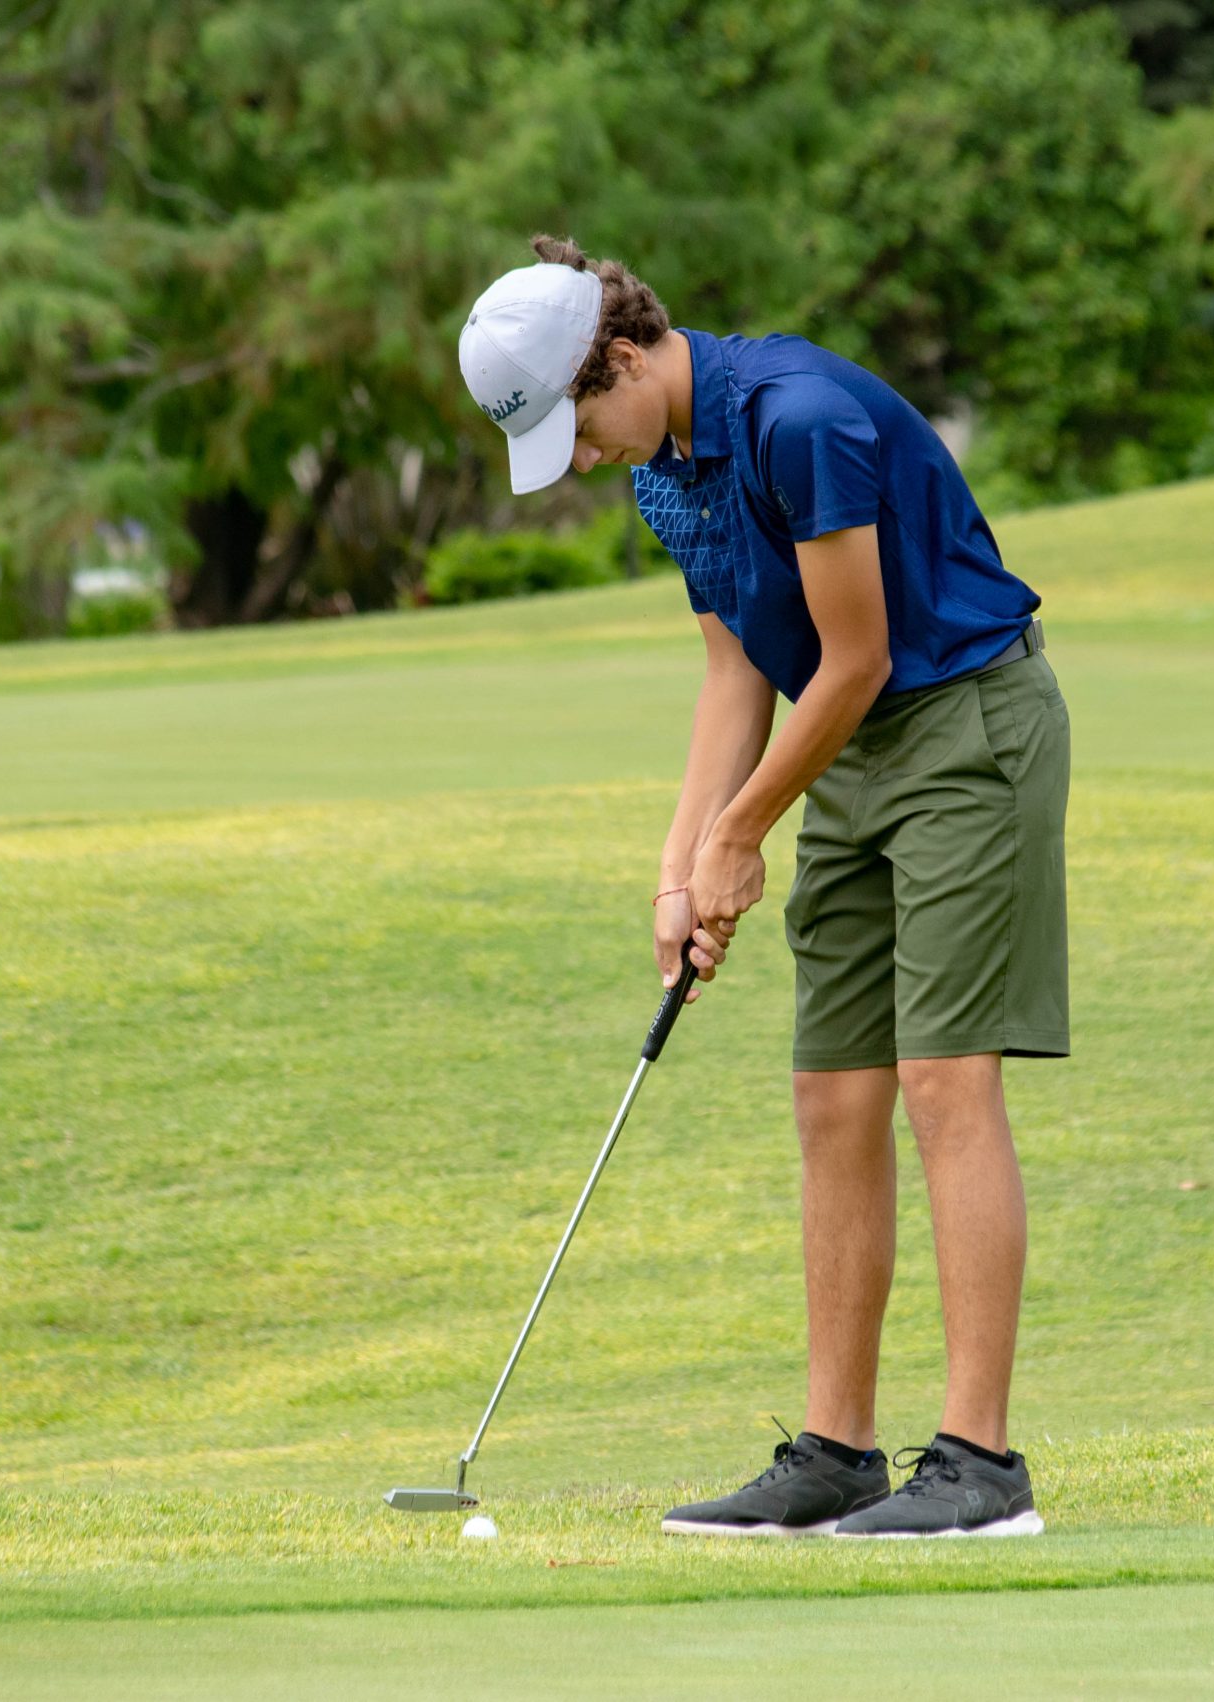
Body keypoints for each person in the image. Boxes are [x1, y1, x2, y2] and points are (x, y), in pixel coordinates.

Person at [458, 236, 1069, 1539]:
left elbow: (856, 657)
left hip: (965, 724)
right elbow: (737, 672)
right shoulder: (666, 474)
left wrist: (742, 831)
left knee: (943, 1078)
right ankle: (837, 1454)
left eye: (578, 428)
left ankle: (981, 1467)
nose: (584, 461)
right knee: (832, 1093)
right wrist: (681, 865)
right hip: (845, 752)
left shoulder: (798, 420)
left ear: (622, 359)